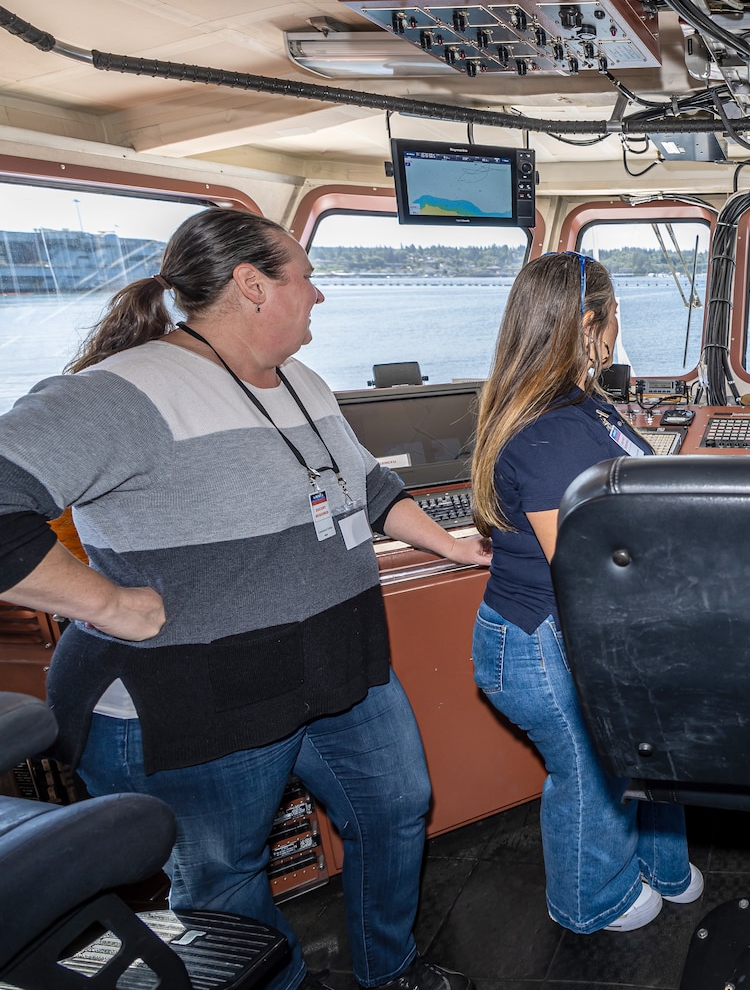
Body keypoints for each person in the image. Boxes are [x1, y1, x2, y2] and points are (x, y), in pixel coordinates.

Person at [0, 208, 492, 990]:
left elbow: (363, 486)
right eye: (305, 277)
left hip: (335, 671)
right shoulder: (119, 393)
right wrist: (109, 604)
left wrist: (453, 544)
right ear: (253, 286)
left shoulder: (303, 381)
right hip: (194, 697)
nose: (318, 297)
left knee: (396, 811)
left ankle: (388, 971)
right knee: (225, 878)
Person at [468, 251, 698, 934]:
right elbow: (582, 569)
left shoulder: (579, 407)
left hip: (580, 628)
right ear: (592, 322)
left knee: (650, 744)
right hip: (543, 642)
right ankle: (588, 899)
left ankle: (662, 866)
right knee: (593, 769)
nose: (618, 326)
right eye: (614, 313)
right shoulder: (549, 432)